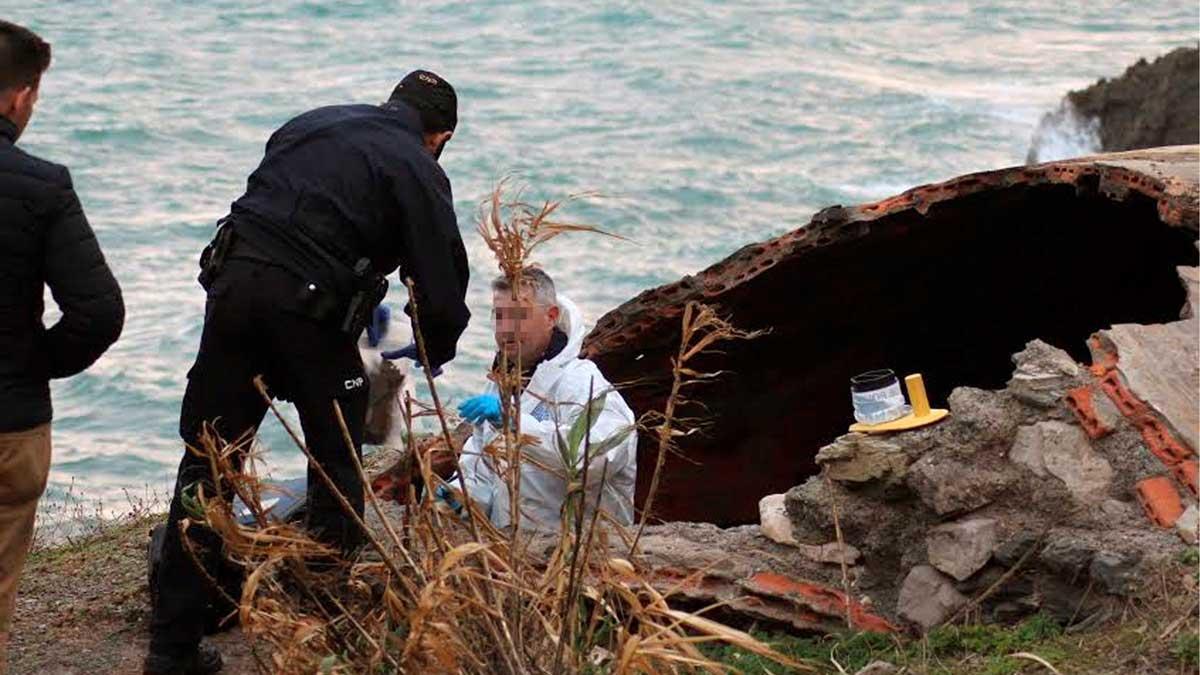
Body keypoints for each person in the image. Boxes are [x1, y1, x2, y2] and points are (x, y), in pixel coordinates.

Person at [146, 70, 470, 674]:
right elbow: (442, 281)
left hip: (232, 290)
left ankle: (170, 651)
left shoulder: (310, 123)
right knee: (336, 462)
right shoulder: (418, 166)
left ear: (391, 102)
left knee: (210, 461)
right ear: (440, 136)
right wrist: (436, 346)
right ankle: (326, 636)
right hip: (308, 313)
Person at [0, 20, 124, 673]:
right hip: (10, 424)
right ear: (18, 98)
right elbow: (98, 311)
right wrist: (31, 364)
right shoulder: (42, 186)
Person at [455, 268, 636, 531]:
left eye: (518, 316)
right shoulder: (499, 387)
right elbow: (482, 473)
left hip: (579, 553)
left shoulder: (582, 383)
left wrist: (516, 425)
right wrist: (461, 496)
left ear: (551, 316)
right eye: (499, 316)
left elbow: (598, 457)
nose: (505, 329)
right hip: (514, 549)